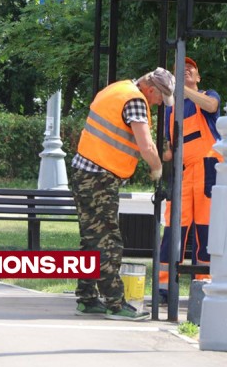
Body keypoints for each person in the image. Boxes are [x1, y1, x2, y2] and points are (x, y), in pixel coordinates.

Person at [71, 67, 175, 321]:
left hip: (85, 172)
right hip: (98, 177)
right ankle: (115, 303)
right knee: (108, 240)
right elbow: (145, 145)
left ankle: (86, 298)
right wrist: (157, 168)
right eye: (160, 98)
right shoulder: (136, 101)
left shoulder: (117, 88)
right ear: (151, 89)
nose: (159, 103)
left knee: (92, 238)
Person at [158, 57, 223, 302]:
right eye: (180, 70)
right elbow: (168, 148)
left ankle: (203, 285)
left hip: (209, 169)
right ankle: (164, 287)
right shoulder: (170, 108)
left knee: (206, 230)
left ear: (198, 77)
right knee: (175, 227)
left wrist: (180, 88)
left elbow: (211, 106)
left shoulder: (208, 95)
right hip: (183, 172)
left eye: (190, 69)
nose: (186, 71)